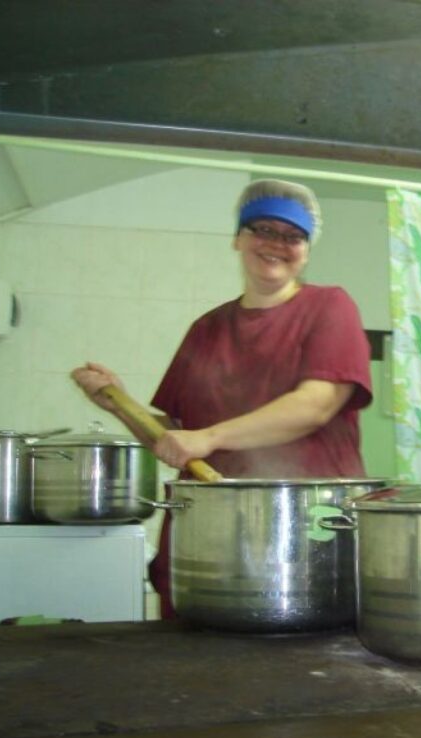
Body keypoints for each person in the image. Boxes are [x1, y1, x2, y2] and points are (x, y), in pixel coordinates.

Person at [71, 178, 373, 617]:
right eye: (262, 230)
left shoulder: (329, 306)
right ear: (238, 238)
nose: (277, 244)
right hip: (211, 534)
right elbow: (176, 437)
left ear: (307, 251)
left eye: (293, 236)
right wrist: (119, 404)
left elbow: (316, 404)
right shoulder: (207, 329)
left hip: (305, 529)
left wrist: (208, 438)